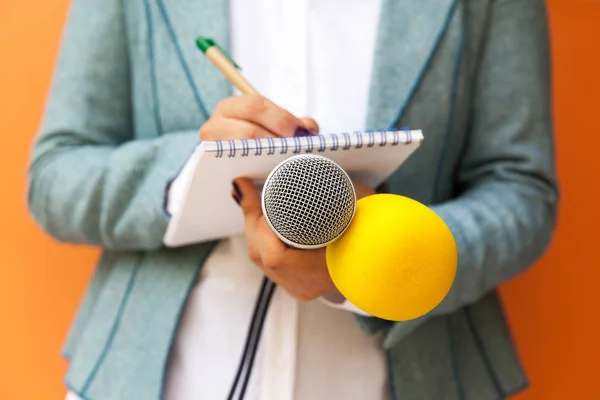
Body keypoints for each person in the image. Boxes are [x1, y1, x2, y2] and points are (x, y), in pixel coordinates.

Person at [27, 0, 558, 399]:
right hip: (163, 376)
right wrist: (196, 170)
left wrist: (378, 271)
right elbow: (55, 175)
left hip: (413, 374)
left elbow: (520, 189)